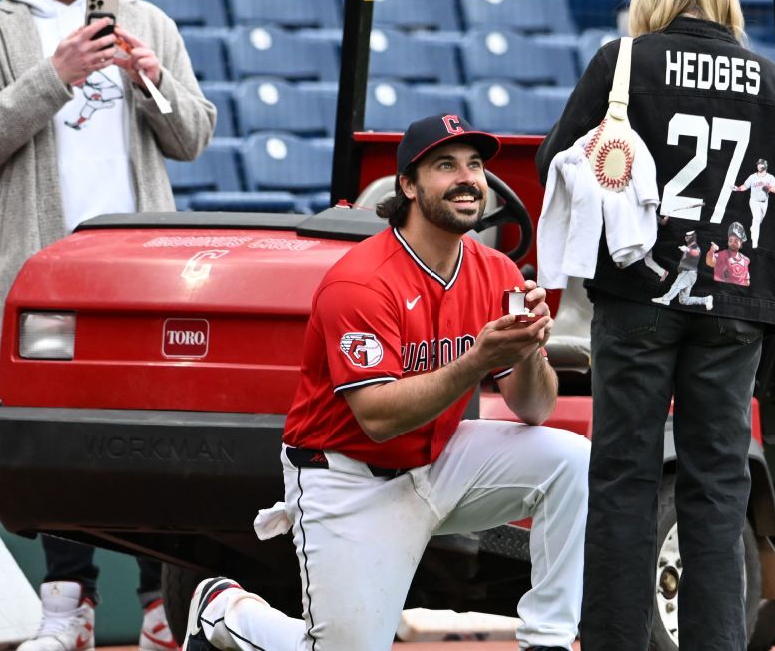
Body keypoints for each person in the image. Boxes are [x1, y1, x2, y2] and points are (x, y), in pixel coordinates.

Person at [181, 114, 589, 651]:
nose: (467, 178)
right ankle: (223, 611)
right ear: (408, 186)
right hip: (348, 475)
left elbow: (533, 409)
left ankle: (550, 640)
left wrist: (531, 347)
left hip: (438, 460)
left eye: (475, 165)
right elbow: (377, 418)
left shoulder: (497, 272)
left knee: (571, 460)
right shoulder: (361, 279)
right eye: (445, 165)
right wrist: (475, 361)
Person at [535, 0, 775, 649]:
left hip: (637, 297)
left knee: (624, 480)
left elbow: (553, 167)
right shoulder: (772, 82)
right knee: (719, 493)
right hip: (739, 300)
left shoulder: (621, 62)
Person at [0, 0, 216, 646]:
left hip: (140, 270)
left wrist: (151, 80)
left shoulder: (146, 19)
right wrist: (53, 74)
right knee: (49, 440)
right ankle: (68, 609)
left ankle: (161, 605)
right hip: (45, 268)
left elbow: (193, 137)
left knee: (148, 434)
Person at [652, 230, 714, 309]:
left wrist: (687, 250)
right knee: (684, 300)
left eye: (688, 236)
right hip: (690, 275)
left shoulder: (694, 247)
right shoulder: (689, 247)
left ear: (693, 237)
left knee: (676, 286)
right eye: (686, 236)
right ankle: (706, 300)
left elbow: (696, 253)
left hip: (687, 273)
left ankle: (666, 299)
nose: (686, 238)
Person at [736, 159, 775, 249]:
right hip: (754, 201)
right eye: (758, 164)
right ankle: (754, 243)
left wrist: (767, 187)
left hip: (764, 202)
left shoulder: (770, 177)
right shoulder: (752, 177)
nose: (759, 166)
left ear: (765, 166)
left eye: (761, 164)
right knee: (756, 218)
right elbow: (745, 186)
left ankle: (753, 228)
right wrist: (737, 189)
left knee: (759, 220)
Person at [707, 221, 751, 287]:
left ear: (741, 243)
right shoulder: (722, 255)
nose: (733, 243)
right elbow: (710, 262)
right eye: (730, 240)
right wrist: (711, 251)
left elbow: (746, 282)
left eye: (736, 241)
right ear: (728, 242)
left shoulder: (746, 260)